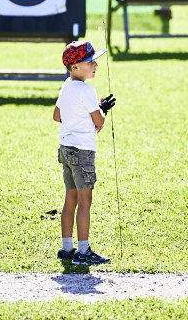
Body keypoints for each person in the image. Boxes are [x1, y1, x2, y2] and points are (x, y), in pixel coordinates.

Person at [53, 40, 116, 266]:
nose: (95, 65)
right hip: (83, 153)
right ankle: (83, 251)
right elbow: (97, 123)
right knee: (85, 201)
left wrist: (92, 108)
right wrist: (102, 111)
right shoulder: (87, 89)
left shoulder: (66, 85)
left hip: (65, 150)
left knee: (70, 198)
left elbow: (57, 115)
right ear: (75, 67)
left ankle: (67, 248)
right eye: (90, 62)